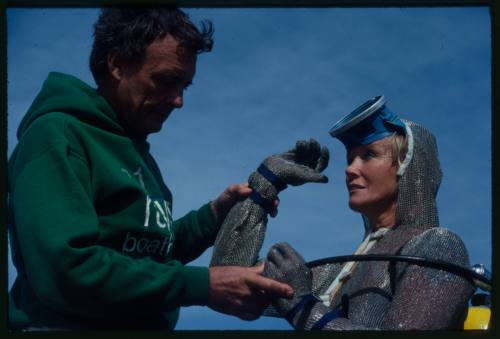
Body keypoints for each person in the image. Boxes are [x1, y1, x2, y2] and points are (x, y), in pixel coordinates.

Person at [7, 8, 331, 330]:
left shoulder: (136, 149)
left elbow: (148, 256)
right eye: (166, 80)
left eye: (185, 86)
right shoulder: (57, 135)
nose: (178, 101)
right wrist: (204, 286)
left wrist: (214, 216)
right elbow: (64, 270)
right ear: (117, 64)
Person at [212, 95, 476, 330]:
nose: (350, 169)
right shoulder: (341, 273)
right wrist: (265, 184)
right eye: (350, 158)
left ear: (408, 167)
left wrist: (305, 309)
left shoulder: (439, 246)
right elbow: (228, 278)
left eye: (369, 155)